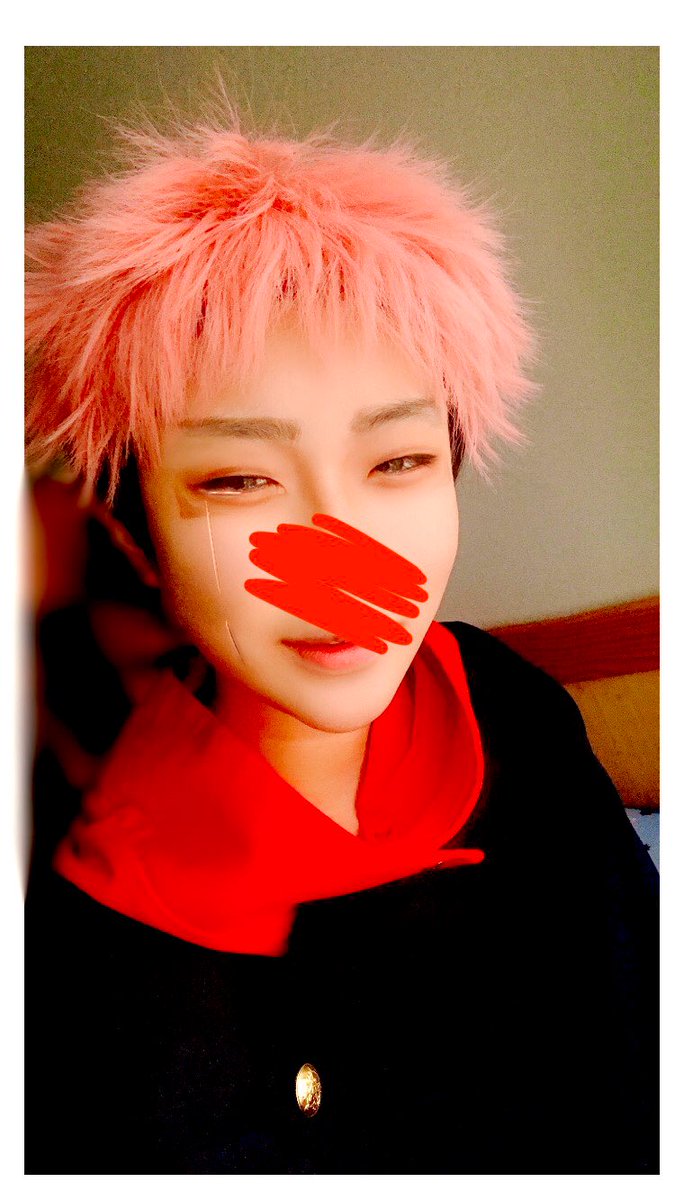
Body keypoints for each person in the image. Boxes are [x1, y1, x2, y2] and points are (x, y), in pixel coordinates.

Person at [24, 107, 658, 1174]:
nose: (346, 557)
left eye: (398, 462)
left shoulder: (502, 700)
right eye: (239, 479)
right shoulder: (95, 938)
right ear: (139, 535)